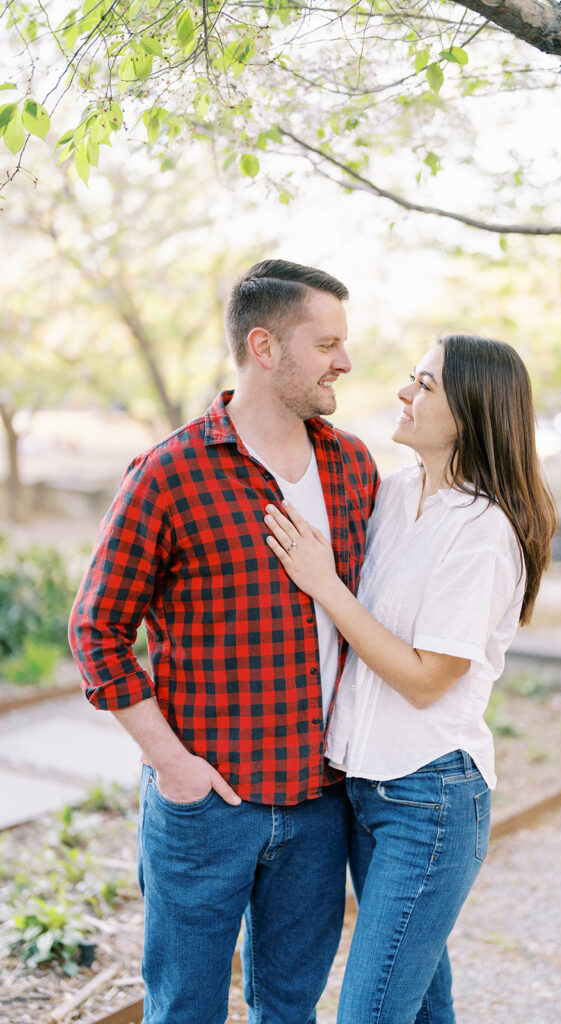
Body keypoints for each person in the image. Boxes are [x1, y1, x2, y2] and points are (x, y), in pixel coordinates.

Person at [68, 259, 379, 1024]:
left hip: (319, 801)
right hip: (207, 804)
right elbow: (97, 629)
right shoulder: (169, 473)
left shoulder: (352, 467)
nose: (344, 361)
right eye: (326, 343)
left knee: (290, 1009)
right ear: (265, 347)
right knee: (184, 1010)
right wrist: (173, 766)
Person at [265, 333, 557, 1024]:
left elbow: (427, 680)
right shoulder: (391, 496)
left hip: (428, 801)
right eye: (411, 379)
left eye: (424, 385)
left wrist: (324, 585)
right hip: (362, 791)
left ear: (473, 411)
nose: (403, 392)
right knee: (423, 1007)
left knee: (368, 1012)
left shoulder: (483, 530)